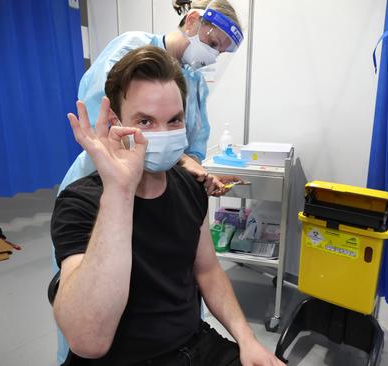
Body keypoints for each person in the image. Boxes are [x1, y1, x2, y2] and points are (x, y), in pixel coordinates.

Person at [52, 46, 284, 366]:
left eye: (173, 120)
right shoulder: (81, 203)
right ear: (115, 123)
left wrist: (247, 339)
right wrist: (120, 190)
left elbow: (208, 270)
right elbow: (87, 340)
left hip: (193, 345)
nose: (163, 134)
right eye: (145, 121)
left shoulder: (190, 187)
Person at [60, 0, 244, 197]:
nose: (214, 56)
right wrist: (182, 161)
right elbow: (104, 119)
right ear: (191, 21)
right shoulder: (133, 47)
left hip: (157, 194)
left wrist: (200, 178)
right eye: (213, 44)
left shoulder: (194, 80)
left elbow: (194, 144)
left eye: (220, 51)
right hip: (103, 182)